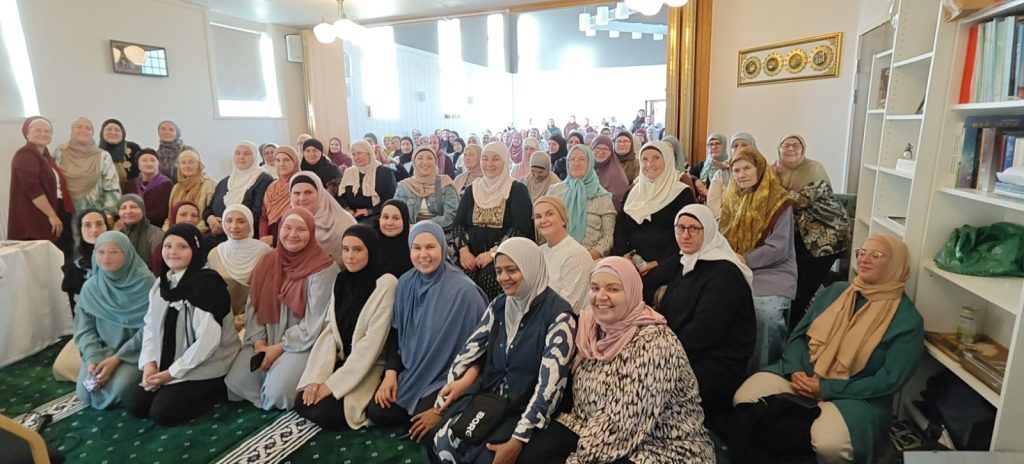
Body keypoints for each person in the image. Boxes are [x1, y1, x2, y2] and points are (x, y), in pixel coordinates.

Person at [732, 234, 923, 464]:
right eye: (861, 253)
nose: (864, 259)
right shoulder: (836, 291)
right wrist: (795, 370)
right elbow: (799, 337)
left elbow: (888, 380)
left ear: (896, 265)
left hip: (856, 396)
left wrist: (826, 389)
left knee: (828, 445)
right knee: (744, 399)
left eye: (876, 255)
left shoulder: (906, 320)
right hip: (803, 375)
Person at [521, 256, 715, 464]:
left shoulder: (655, 343)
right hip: (589, 425)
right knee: (532, 455)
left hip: (662, 446)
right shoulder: (591, 330)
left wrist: (573, 460)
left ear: (632, 292)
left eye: (613, 289)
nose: (601, 296)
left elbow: (623, 424)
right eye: (595, 288)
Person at [426, 237, 576, 463]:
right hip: (490, 399)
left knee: (482, 457)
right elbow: (468, 352)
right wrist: (443, 402)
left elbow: (549, 388)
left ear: (530, 267)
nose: (503, 278)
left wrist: (518, 439)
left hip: (525, 408)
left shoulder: (559, 316)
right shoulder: (500, 304)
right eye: (499, 271)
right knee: (441, 441)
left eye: (512, 270)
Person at [642, 204, 755, 433]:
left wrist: (659, 354)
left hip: (716, 360)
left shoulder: (725, 273)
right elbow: (646, 284)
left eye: (694, 229)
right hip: (681, 349)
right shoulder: (684, 259)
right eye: (680, 228)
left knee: (655, 386)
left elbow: (703, 333)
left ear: (709, 231)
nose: (685, 235)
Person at [367, 222, 487, 429]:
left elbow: (482, 350)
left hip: (448, 376)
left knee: (426, 421)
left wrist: (441, 409)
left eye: (430, 247)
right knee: (378, 410)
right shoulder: (405, 283)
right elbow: (397, 333)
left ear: (442, 247)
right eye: (417, 248)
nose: (423, 255)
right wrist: (390, 374)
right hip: (414, 372)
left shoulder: (465, 292)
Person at [125, 223, 240, 426]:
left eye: (182, 246)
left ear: (195, 251)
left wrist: (171, 374)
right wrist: (150, 364)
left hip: (206, 363)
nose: (173, 252)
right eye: (168, 246)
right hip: (169, 361)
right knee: (135, 405)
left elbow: (207, 343)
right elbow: (150, 327)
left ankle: (218, 388)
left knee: (163, 413)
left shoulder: (208, 286)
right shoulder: (162, 284)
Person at [225, 208, 340, 410]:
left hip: (303, 343)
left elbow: (315, 323)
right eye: (287, 227)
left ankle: (278, 378)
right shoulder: (267, 260)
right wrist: (260, 343)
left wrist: (278, 349)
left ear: (311, 232)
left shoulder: (324, 267)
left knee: (277, 394)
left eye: (301, 229)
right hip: (267, 337)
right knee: (235, 385)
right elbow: (254, 306)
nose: (292, 234)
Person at [294, 225, 397, 429]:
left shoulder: (386, 284)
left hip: (369, 366)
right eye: (345, 249)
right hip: (342, 361)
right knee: (303, 401)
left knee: (324, 412)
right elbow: (330, 332)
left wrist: (332, 385)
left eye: (357, 250)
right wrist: (316, 378)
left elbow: (371, 345)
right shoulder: (341, 280)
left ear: (371, 250)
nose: (350, 256)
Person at [720, 146, 796, 371]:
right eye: (736, 170)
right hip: (735, 264)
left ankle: (765, 371)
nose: (741, 175)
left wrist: (744, 259)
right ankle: (731, 368)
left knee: (765, 314)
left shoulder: (779, 200)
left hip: (773, 269)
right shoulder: (731, 196)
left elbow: (779, 248)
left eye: (747, 168)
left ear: (760, 168)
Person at [69, 231, 155, 410]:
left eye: (114, 252)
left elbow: (151, 328)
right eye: (100, 252)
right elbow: (84, 329)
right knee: (85, 391)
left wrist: (117, 359)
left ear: (127, 253)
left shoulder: (146, 284)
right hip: (104, 349)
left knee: (117, 389)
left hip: (137, 352)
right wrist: (92, 359)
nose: (106, 258)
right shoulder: (91, 287)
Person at [773, 134, 850, 327]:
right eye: (786, 145)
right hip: (801, 233)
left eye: (796, 145)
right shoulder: (774, 169)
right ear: (778, 149)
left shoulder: (814, 169)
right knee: (789, 272)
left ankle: (797, 326)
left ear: (803, 149)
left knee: (803, 283)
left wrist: (771, 186)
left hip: (827, 233)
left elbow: (799, 200)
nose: (791, 149)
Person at [453, 142, 535, 299]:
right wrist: (464, 252)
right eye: (485, 159)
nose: (489, 164)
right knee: (460, 277)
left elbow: (520, 229)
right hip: (471, 255)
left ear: (505, 161)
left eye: (496, 159)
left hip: (505, 254)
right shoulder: (472, 190)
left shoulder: (517, 190)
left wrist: (492, 254)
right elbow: (458, 224)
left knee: (490, 278)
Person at [613, 141, 696, 271]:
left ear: (667, 160)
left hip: (668, 262)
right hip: (632, 262)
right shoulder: (633, 192)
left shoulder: (682, 193)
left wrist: (657, 263)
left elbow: (686, 235)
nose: (649, 164)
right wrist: (624, 256)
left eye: (656, 158)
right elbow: (620, 229)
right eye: (644, 159)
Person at [9, 117, 73, 249]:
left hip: (53, 210)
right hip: (36, 217)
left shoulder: (46, 158)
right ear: (27, 134)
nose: (43, 134)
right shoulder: (25, 154)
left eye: (47, 131)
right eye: (38, 130)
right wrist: (51, 214)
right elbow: (31, 188)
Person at [206, 205, 271, 330]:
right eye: (229, 221)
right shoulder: (215, 254)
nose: (234, 226)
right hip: (220, 323)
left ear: (250, 224)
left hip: (256, 323)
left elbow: (269, 294)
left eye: (241, 221)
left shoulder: (264, 253)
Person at [547, 145, 616, 259]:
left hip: (590, 258)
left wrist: (585, 257)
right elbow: (544, 227)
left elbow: (608, 238)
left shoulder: (602, 197)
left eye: (582, 159)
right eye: (572, 159)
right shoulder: (555, 191)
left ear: (590, 163)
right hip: (556, 255)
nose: (576, 163)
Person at [204, 142, 274, 246]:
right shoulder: (225, 182)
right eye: (237, 153)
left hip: (245, 239)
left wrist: (228, 226)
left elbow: (258, 214)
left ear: (255, 157)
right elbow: (208, 209)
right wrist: (210, 219)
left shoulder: (263, 180)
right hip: (218, 236)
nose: (241, 157)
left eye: (247, 153)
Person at [534, 196, 594, 313]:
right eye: (538, 217)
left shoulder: (576, 254)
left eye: (549, 214)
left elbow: (568, 305)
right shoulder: (539, 252)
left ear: (563, 220)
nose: (543, 220)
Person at [54, 117, 121, 220]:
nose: (83, 130)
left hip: (96, 215)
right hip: (66, 213)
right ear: (72, 131)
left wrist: (109, 214)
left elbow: (112, 187)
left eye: (88, 128)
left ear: (92, 133)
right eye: (79, 127)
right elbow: (54, 183)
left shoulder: (103, 156)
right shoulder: (60, 153)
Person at [289, 171, 357, 263]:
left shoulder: (344, 222)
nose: (302, 198)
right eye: (296, 193)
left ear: (320, 193)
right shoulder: (288, 221)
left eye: (308, 192)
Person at [394, 147, 459, 232]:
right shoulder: (404, 186)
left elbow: (451, 216)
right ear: (414, 162)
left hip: (442, 233)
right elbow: (396, 214)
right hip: (409, 234)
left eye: (429, 158)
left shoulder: (445, 183)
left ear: (435, 162)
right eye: (420, 158)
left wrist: (421, 227)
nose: (425, 162)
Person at [338, 140, 397, 224]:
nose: (356, 157)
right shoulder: (349, 172)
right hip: (351, 216)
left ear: (369, 153)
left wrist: (369, 211)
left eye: (359, 153)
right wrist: (348, 210)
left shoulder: (385, 172)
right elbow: (341, 196)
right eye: (353, 154)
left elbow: (390, 199)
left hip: (376, 216)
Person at [62, 208, 109, 308]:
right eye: (87, 225)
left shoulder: (121, 252)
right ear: (80, 229)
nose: (94, 230)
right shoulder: (76, 259)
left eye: (99, 224)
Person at [258, 145, 301, 246]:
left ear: (295, 162)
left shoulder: (301, 185)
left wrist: (275, 238)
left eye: (286, 160)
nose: (281, 164)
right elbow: (264, 216)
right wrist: (263, 236)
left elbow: (303, 218)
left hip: (292, 238)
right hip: (268, 239)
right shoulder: (272, 187)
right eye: (277, 160)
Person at [707, 132, 757, 218]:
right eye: (735, 146)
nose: (739, 148)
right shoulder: (720, 175)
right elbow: (713, 206)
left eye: (744, 145)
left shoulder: (761, 172)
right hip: (724, 222)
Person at [167, 150, 216, 233]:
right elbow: (170, 217)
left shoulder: (209, 184)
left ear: (199, 165)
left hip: (200, 232)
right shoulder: (176, 187)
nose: (187, 166)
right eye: (183, 162)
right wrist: (166, 232)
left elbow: (210, 214)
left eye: (191, 162)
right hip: (176, 232)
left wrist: (191, 233)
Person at [124, 149, 172, 228]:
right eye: (144, 160)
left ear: (158, 164)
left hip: (155, 227)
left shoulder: (166, 185)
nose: (149, 163)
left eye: (153, 160)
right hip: (131, 225)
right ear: (138, 165)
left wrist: (137, 218)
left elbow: (162, 212)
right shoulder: (130, 185)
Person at [116, 194, 163, 266]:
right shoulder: (118, 234)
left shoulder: (156, 234)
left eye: (133, 207)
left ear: (143, 210)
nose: (128, 211)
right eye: (123, 208)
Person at [591, 135, 630, 213]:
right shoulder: (586, 168)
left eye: (605, 149)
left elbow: (617, 202)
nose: (601, 152)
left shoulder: (618, 177)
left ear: (611, 152)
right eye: (598, 148)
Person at [98, 118, 142, 187]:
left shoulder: (134, 149)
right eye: (109, 129)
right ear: (102, 133)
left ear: (123, 133)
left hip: (131, 192)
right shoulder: (95, 153)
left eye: (117, 130)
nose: (113, 132)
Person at [377, 199, 414, 278]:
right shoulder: (370, 245)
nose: (389, 223)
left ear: (404, 221)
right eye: (385, 217)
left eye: (396, 218)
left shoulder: (414, 247)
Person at [690, 133, 728, 201]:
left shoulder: (730, 166)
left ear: (724, 146)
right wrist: (696, 180)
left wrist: (709, 193)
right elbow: (689, 176)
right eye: (711, 144)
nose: (714, 147)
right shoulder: (701, 166)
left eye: (717, 143)